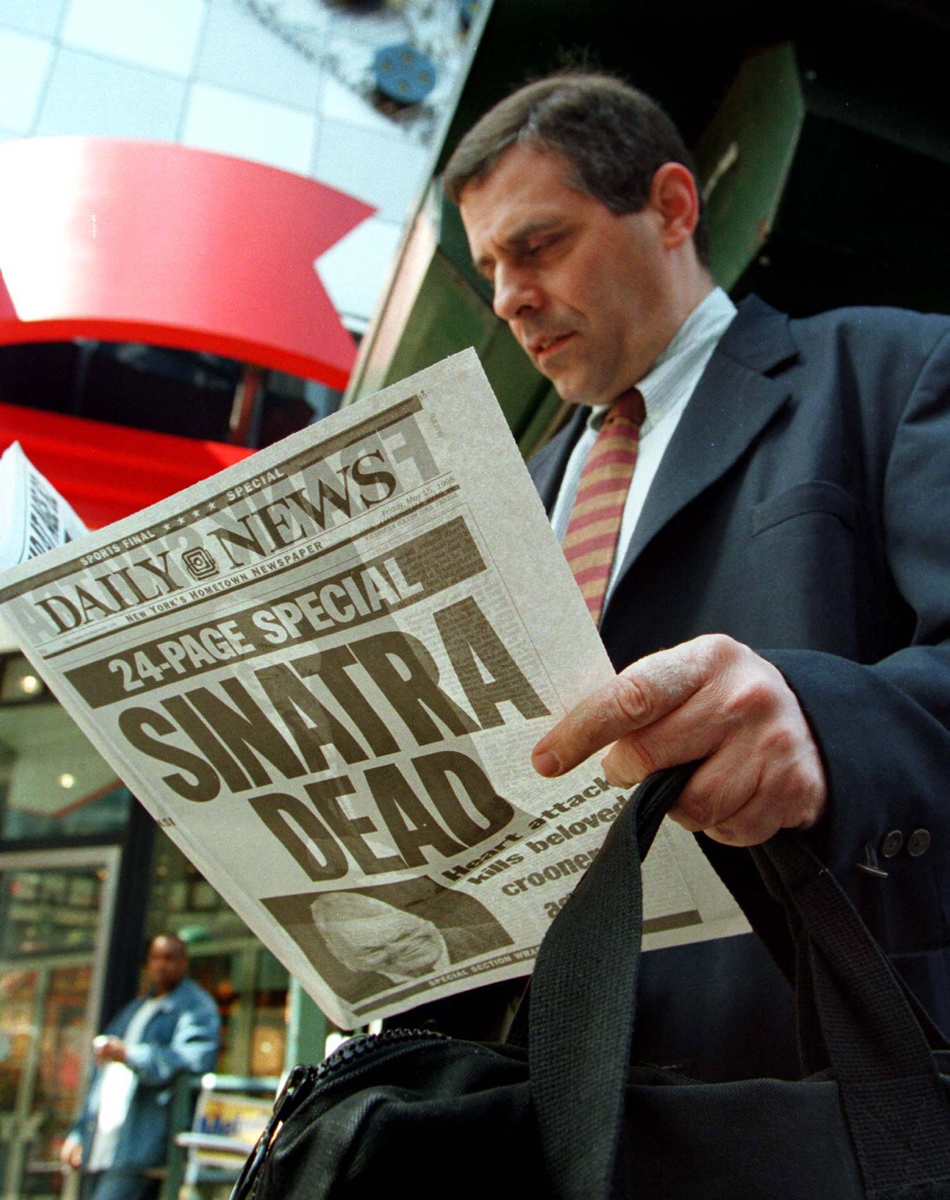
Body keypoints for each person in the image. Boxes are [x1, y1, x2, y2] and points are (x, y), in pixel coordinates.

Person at [443, 71, 950, 1080]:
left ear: (672, 207)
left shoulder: (892, 369)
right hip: (539, 1086)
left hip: (807, 1072)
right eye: (492, 268)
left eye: (536, 245)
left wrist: (822, 723)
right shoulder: (507, 493)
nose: (507, 298)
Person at [60, 933, 221, 1200]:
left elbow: (194, 1059)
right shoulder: (135, 1009)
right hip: (101, 1141)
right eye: (155, 958)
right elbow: (100, 1077)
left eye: (169, 958)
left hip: (139, 1146)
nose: (161, 965)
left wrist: (131, 1054)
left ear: (184, 963)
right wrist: (78, 1132)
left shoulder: (196, 1007)